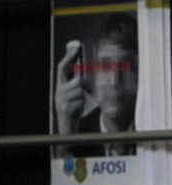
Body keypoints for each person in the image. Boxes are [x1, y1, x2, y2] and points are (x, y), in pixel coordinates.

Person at [55, 14, 140, 142]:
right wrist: (65, 141)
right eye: (105, 66)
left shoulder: (153, 125)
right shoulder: (76, 134)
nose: (114, 81)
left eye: (125, 66)